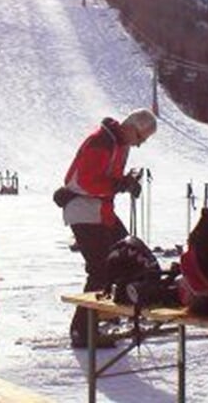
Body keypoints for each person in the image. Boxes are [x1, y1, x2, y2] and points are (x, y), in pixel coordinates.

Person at [57, 108, 157, 348]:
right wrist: (120, 185)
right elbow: (85, 181)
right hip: (84, 210)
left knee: (123, 259)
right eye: (141, 138)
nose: (141, 144)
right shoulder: (102, 141)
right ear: (133, 128)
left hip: (100, 211)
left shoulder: (119, 143)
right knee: (101, 269)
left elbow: (106, 180)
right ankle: (82, 330)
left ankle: (104, 318)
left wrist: (125, 183)